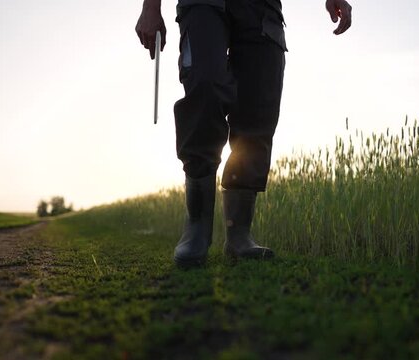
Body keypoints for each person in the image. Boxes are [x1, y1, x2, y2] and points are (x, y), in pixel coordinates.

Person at [135, 0, 353, 266]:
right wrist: (150, 7)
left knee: (258, 108)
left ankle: (239, 235)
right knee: (205, 89)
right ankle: (197, 229)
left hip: (262, 8)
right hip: (204, 5)